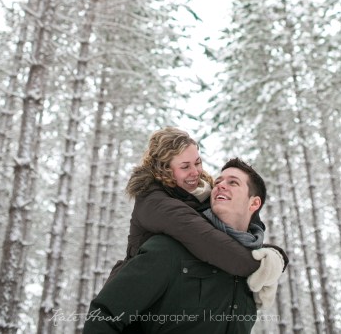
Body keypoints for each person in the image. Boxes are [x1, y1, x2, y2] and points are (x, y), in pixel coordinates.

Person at [83, 159, 287, 333]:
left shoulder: (256, 272)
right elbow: (104, 315)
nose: (221, 185)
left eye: (233, 183)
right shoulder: (170, 248)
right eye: (218, 182)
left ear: (254, 204)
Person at [106, 128, 283, 293]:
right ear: (164, 169)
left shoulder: (205, 192)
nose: (195, 172)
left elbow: (243, 215)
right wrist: (261, 267)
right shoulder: (154, 202)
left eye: (197, 162)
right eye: (185, 167)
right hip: (139, 295)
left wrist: (277, 255)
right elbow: (207, 240)